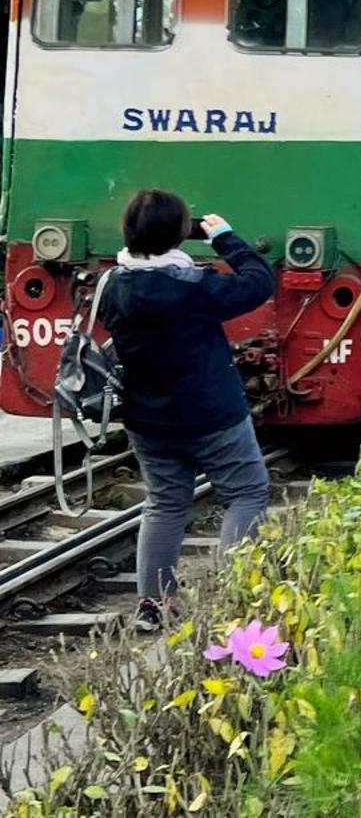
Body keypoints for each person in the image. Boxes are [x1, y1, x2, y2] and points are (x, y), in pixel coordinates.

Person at [100, 189, 276, 631]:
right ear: (180, 234)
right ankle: (236, 595)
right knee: (246, 493)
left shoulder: (113, 287)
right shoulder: (194, 287)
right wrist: (226, 239)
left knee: (164, 503)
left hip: (147, 418)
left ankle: (153, 604)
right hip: (211, 414)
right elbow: (259, 282)